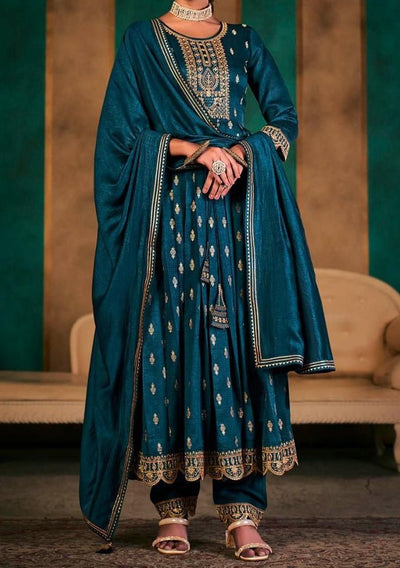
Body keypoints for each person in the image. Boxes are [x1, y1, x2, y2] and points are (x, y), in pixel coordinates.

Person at [79, 0, 336, 562]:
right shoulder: (142, 40)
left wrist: (239, 153)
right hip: (167, 215)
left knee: (240, 352)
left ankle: (243, 515)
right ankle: (172, 510)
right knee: (169, 350)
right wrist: (197, 150)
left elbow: (283, 120)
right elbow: (122, 136)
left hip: (238, 219)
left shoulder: (244, 40)